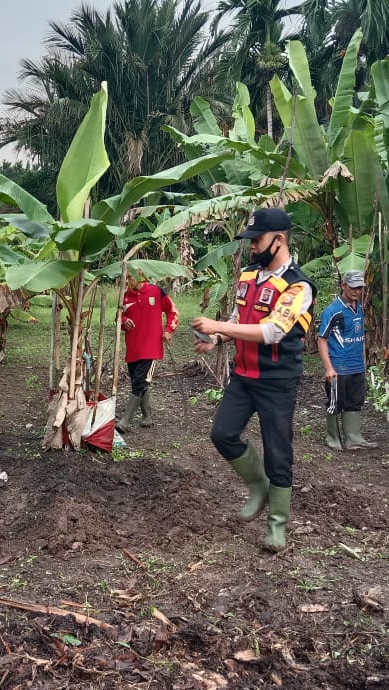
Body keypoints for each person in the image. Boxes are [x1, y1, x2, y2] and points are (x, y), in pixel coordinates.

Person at [192, 207, 316, 552]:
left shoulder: (299, 286)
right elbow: (239, 317)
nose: (250, 247)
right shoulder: (249, 275)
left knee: (279, 451)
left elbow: (273, 331)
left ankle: (277, 524)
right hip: (244, 376)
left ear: (279, 240)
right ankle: (257, 485)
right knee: (222, 433)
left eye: (256, 240)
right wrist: (217, 339)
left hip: (277, 380)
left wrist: (218, 327)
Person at [317, 270, 377, 450]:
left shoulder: (360, 308)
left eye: (360, 288)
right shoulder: (333, 311)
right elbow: (322, 339)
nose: (357, 291)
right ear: (343, 286)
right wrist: (329, 368)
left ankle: (353, 438)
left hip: (356, 366)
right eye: (353, 287)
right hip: (338, 366)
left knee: (355, 401)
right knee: (336, 402)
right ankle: (332, 438)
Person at [116, 270, 179, 433]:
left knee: (139, 381)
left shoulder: (157, 291)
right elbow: (118, 318)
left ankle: (125, 421)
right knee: (139, 382)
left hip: (151, 348)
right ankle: (147, 416)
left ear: (140, 276)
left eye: (129, 277)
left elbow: (173, 311)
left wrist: (169, 330)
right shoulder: (125, 296)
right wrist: (124, 321)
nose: (127, 280)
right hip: (133, 348)